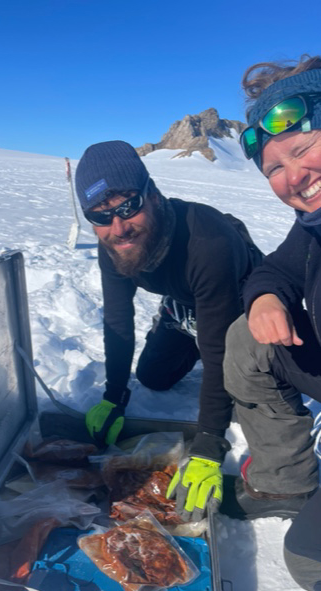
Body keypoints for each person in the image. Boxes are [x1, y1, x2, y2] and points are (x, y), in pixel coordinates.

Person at [223, 54, 321, 591]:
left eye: (301, 149)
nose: (292, 178)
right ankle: (285, 484)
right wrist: (267, 296)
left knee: (315, 562)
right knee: (249, 337)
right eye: (273, 170)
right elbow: (278, 267)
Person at [75, 140, 263, 521]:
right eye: (100, 216)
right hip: (187, 303)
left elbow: (217, 351)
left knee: (249, 398)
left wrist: (210, 441)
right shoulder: (112, 242)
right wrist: (114, 395)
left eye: (129, 206)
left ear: (154, 195)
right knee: (153, 377)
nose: (119, 227)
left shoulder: (208, 242)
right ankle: (181, 319)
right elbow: (117, 319)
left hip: (241, 301)